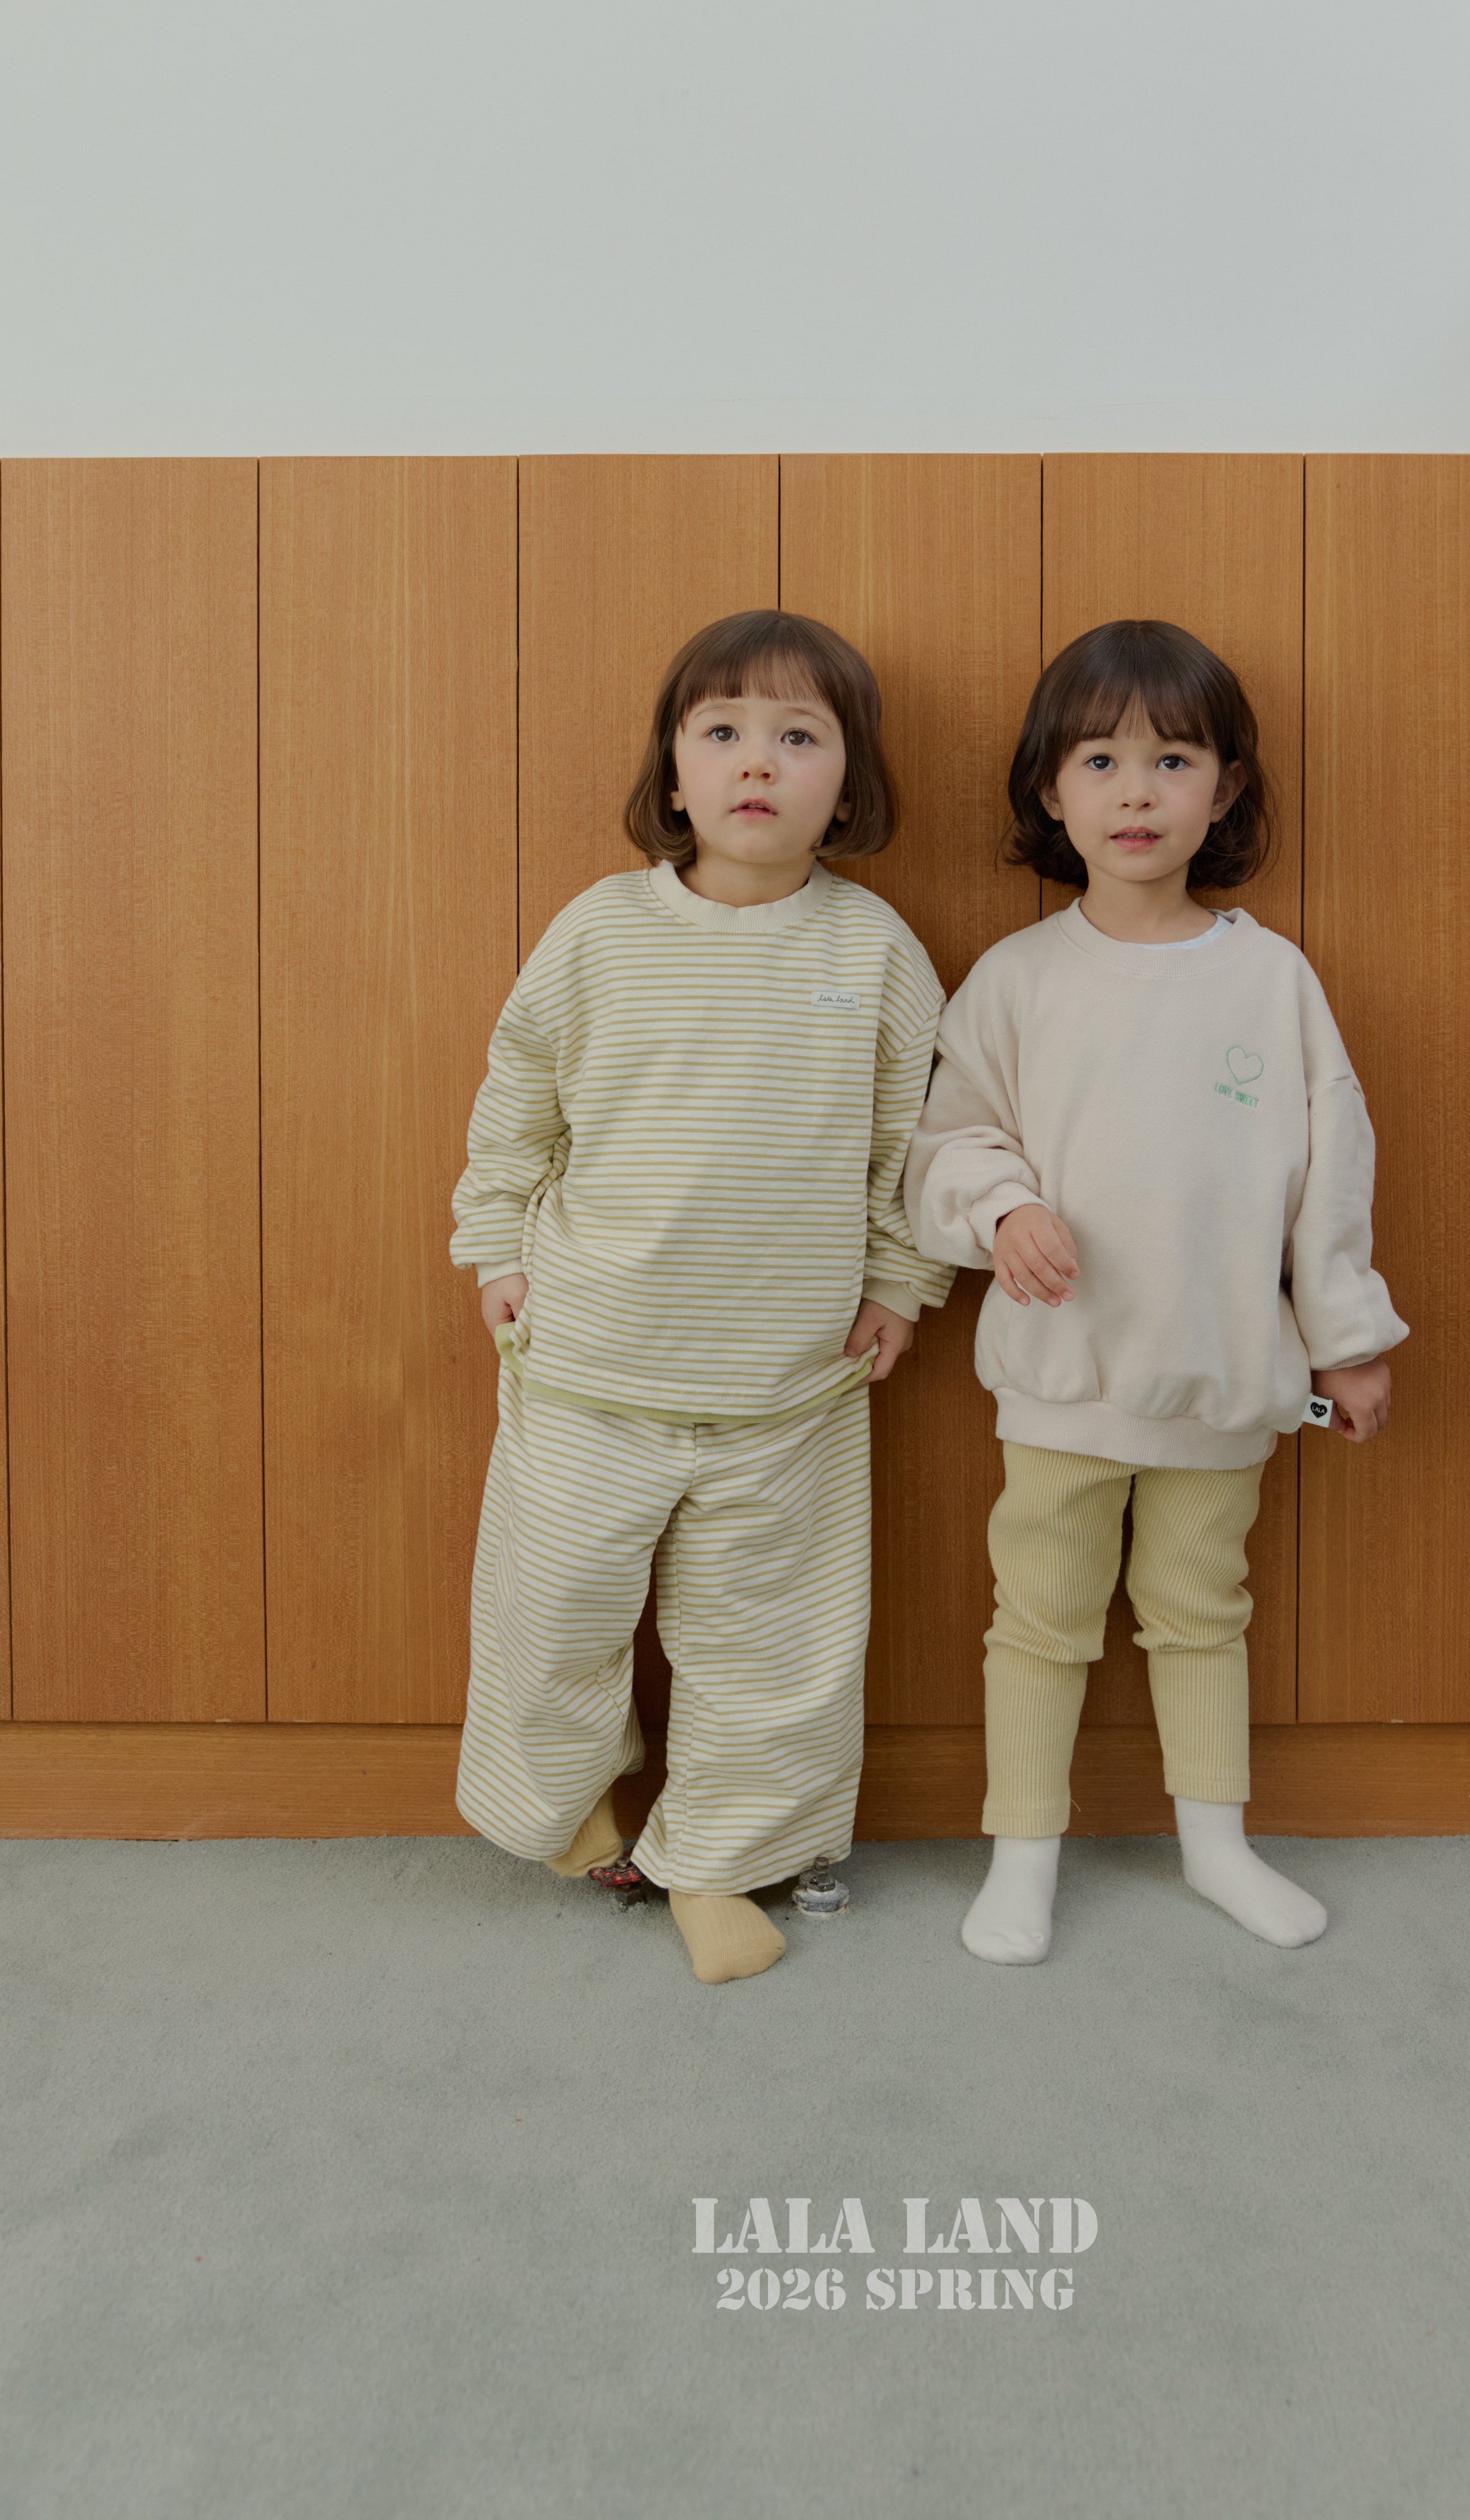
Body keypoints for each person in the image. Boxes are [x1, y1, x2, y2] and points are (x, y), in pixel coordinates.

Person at [451, 609, 952, 1984]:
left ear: (847, 783)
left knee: (773, 1641)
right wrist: (496, 1247)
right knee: (552, 1608)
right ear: (674, 772)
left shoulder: (875, 950)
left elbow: (912, 1143)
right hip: (586, 1359)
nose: (758, 762)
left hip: (787, 1383)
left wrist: (903, 1282)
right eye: (723, 731)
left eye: (799, 737)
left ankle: (722, 1856)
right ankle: (565, 1806)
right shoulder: (600, 932)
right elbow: (518, 1103)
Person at [905, 619, 1407, 1966]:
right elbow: (946, 1142)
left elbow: (1332, 1177)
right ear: (1051, 790)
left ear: (1225, 789)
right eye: (1101, 761)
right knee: (1041, 1622)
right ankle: (1024, 1853)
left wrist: (1347, 1341)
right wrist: (1003, 1209)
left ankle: (1215, 1846)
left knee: (1201, 1616)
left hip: (1224, 1378)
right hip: (1061, 1382)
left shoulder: (1271, 979)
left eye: (1173, 760)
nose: (1137, 792)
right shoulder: (1017, 979)